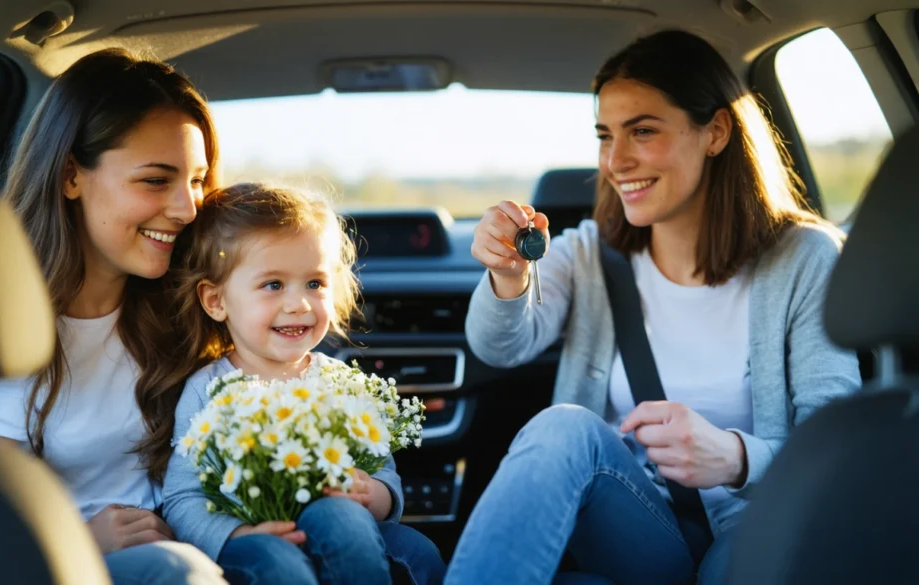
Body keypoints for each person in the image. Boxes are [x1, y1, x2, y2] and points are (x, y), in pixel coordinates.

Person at [444, 29, 861, 585]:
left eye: (642, 131)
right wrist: (508, 273)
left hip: (757, 522)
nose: (616, 160)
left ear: (714, 132)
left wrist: (734, 457)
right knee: (564, 428)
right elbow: (499, 344)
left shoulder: (805, 258)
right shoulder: (589, 254)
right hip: (632, 531)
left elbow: (835, 448)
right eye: (604, 135)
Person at [0, 48, 229, 585]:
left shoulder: (191, 310)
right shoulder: (3, 330)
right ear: (70, 176)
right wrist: (83, 540)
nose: (187, 208)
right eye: (156, 180)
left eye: (197, 180)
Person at [163, 182, 447, 585]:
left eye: (314, 283)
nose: (298, 303)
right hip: (255, 545)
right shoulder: (208, 390)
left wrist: (374, 495)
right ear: (216, 301)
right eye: (273, 285)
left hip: (349, 537)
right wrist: (235, 534)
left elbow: (383, 470)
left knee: (417, 550)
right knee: (279, 563)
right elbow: (183, 497)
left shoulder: (340, 382)